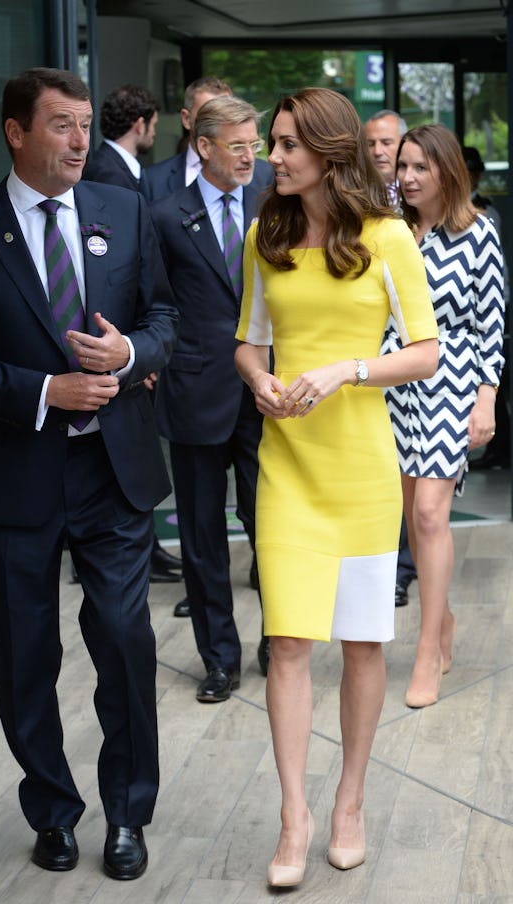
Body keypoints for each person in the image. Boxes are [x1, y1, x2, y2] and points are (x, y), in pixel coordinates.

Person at [0, 67, 178, 881]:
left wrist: (132, 352)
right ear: (15, 132)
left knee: (127, 640)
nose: (78, 141)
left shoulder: (123, 210)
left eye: (86, 124)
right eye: (61, 125)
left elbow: (164, 318)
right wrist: (43, 390)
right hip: (17, 475)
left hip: (113, 469)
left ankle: (128, 813)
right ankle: (53, 810)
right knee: (25, 655)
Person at [234, 87, 438, 888]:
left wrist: (343, 370)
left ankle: (349, 800)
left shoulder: (387, 238)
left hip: (358, 468)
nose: (272, 156)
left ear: (327, 149)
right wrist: (261, 380)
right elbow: (247, 342)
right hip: (286, 466)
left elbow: (423, 352)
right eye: (272, 143)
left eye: (286, 144)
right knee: (287, 641)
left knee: (359, 644)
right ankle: (295, 817)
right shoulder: (264, 236)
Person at [150, 95, 268, 698]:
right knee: (201, 538)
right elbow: (154, 303)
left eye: (257, 143)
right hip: (195, 393)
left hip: (266, 392)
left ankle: (279, 639)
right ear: (204, 146)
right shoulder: (167, 216)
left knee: (268, 524)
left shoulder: (278, 205)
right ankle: (219, 657)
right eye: (239, 145)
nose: (252, 155)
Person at [385, 124, 505, 708]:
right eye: (401, 166)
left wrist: (486, 397)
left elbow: (491, 325)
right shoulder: (387, 229)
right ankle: (444, 615)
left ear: (446, 171)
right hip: (391, 380)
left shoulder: (479, 234)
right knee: (411, 512)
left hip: (451, 379)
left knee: (431, 513)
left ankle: (428, 648)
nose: (405, 177)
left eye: (418, 168)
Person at [82, 83, 183, 584]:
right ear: (142, 123)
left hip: (124, 352)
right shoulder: (104, 174)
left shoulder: (124, 171)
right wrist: (119, 353)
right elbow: (105, 281)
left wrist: (134, 354)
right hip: (100, 358)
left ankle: (147, 551)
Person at [365, 108, 417, 607]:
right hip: (369, 360)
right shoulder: (354, 206)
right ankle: (393, 563)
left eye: (388, 143)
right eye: (372, 143)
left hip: (418, 356)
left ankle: (408, 562)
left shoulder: (421, 203)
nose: (380, 151)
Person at [146, 76, 274, 204]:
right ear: (186, 119)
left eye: (228, 110)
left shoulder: (266, 175)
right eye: (209, 114)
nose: (249, 157)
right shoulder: (153, 179)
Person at [462, 145, 510, 471]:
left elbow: (495, 276)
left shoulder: (484, 214)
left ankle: (500, 450)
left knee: (495, 388)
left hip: (490, 309)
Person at [83, 83, 158, 200]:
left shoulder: (108, 166)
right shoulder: (110, 175)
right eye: (154, 125)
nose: (154, 133)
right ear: (140, 125)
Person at [364, 108, 408, 207]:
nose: (377, 151)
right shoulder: (355, 192)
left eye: (386, 143)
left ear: (404, 143)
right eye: (370, 144)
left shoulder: (419, 190)